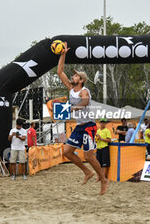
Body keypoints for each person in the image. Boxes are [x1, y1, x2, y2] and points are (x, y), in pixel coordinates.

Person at [56, 42, 108, 195]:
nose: (72, 76)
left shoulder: (84, 91)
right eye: (73, 74)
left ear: (81, 80)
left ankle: (103, 179)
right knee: (67, 152)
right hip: (79, 126)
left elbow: (85, 102)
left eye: (76, 75)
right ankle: (87, 172)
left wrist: (74, 107)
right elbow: (60, 71)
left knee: (89, 156)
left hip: (89, 125)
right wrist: (63, 54)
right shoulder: (71, 89)